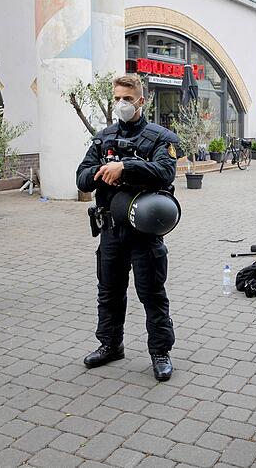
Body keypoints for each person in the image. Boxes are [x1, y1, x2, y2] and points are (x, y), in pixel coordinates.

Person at [76, 74, 178, 381]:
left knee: (151, 294)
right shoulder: (104, 137)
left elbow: (165, 172)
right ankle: (110, 344)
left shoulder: (162, 138)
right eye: (117, 98)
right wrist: (103, 170)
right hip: (110, 230)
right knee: (109, 292)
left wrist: (127, 167)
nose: (121, 103)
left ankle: (160, 352)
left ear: (141, 101)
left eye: (127, 99)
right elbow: (81, 178)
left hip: (144, 233)